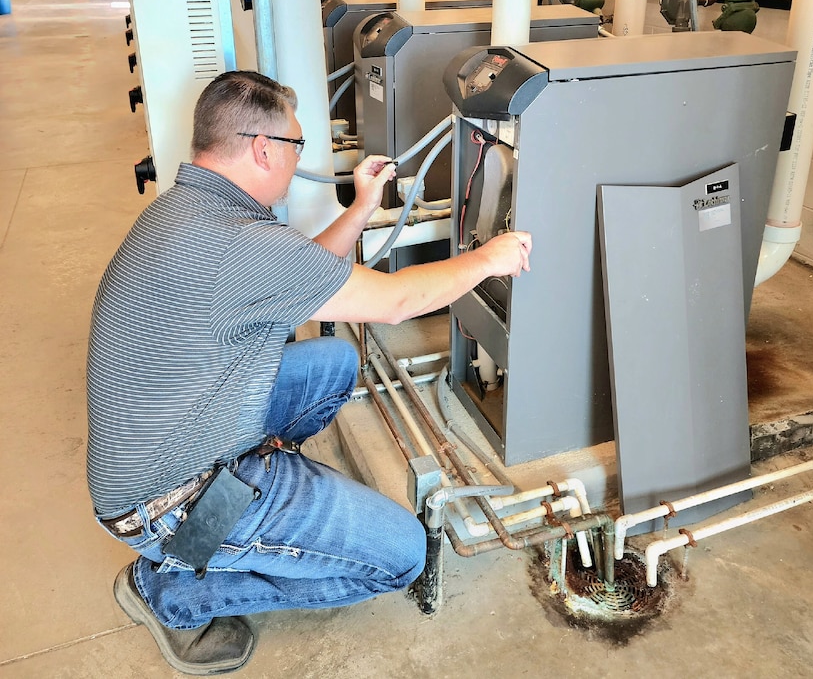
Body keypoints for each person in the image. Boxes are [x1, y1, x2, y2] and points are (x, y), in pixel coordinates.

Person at [86, 70, 532, 675]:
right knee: (401, 556)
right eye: (295, 145)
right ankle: (169, 587)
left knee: (335, 361)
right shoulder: (240, 244)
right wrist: (487, 258)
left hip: (172, 437)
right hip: (168, 498)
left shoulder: (190, 210)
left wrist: (363, 205)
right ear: (262, 148)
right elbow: (397, 301)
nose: (300, 158)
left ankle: (259, 486)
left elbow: (304, 274)